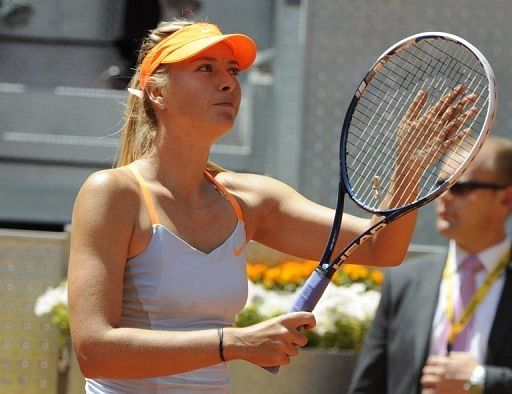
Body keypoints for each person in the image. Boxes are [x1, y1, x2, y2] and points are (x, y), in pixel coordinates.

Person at [68, 19, 476, 393]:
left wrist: (408, 170)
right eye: (205, 69)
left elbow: (381, 248)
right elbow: (94, 351)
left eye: (232, 70)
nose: (227, 83)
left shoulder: (251, 200)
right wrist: (237, 342)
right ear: (157, 91)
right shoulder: (113, 193)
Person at [349, 136, 512, 394]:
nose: (443, 197)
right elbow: (368, 385)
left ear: (505, 199)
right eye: (439, 185)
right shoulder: (405, 281)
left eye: (460, 187)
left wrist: (483, 380)